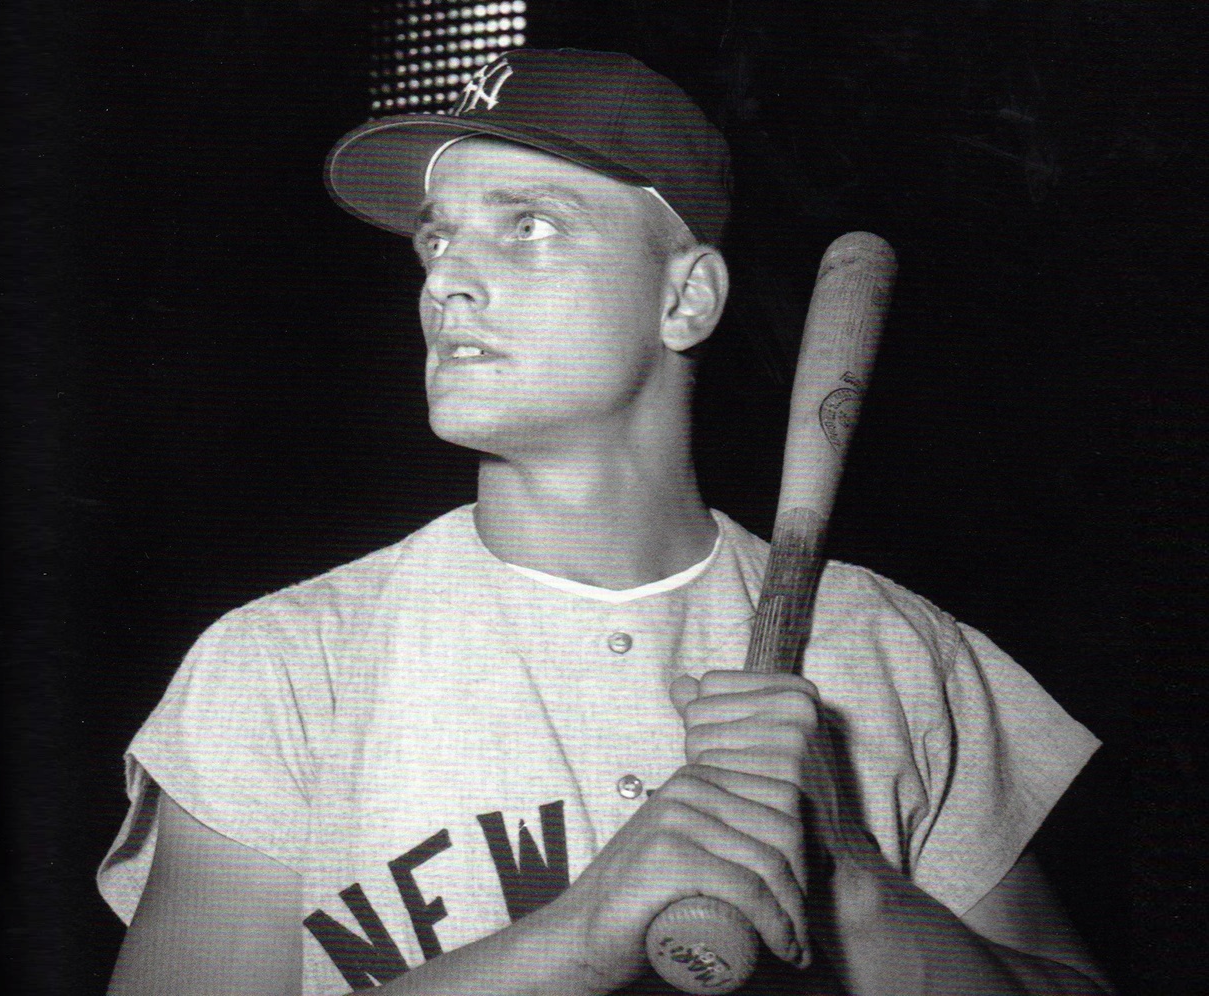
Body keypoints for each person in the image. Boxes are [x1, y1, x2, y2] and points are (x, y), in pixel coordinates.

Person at [99, 49, 1112, 995]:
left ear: (686, 297)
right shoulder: (281, 666)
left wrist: (858, 887)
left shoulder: (899, 651)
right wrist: (574, 939)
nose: (444, 277)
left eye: (528, 225)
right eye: (437, 238)